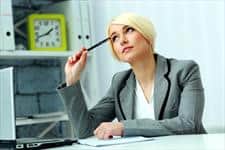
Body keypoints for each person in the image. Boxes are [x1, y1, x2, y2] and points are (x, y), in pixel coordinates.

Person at [57, 12, 206, 139]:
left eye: (128, 30)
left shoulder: (184, 70)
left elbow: (189, 124)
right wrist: (72, 79)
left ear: (147, 35)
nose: (122, 40)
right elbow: (85, 130)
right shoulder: (119, 82)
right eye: (114, 37)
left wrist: (124, 127)